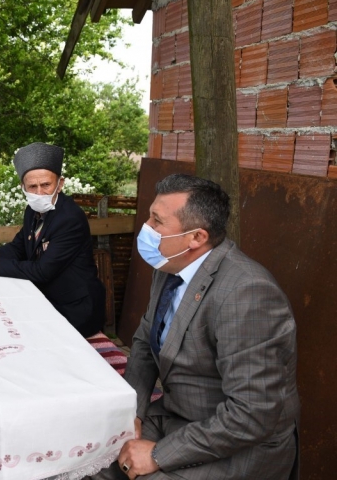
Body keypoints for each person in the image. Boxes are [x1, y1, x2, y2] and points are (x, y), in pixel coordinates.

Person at [101, 174, 299, 480]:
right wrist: (135, 413)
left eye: (157, 221)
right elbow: (142, 342)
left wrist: (158, 455)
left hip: (237, 444)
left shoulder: (246, 293)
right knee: (93, 457)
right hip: (176, 416)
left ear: (196, 238)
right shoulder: (169, 265)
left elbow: (251, 415)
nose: (147, 230)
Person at [0, 142, 105, 338]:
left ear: (60, 184)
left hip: (76, 309)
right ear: (23, 187)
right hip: (47, 298)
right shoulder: (33, 210)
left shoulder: (70, 219)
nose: (39, 193)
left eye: (46, 185)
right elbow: (18, 248)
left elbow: (43, 271)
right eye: (32, 186)